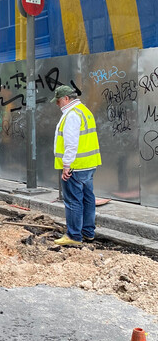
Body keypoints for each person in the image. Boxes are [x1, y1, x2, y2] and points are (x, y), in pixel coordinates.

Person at [52, 85, 102, 246]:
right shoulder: (84, 111)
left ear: (66, 98)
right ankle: (88, 232)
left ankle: (73, 236)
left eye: (58, 101)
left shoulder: (72, 115)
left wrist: (67, 165)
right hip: (89, 164)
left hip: (76, 166)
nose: (57, 104)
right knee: (88, 198)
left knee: (73, 201)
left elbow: (71, 143)